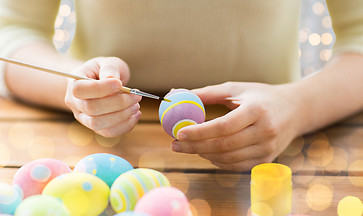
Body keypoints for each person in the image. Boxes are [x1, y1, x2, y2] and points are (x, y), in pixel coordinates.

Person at [0, 1, 362, 171]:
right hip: (102, 155)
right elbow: (11, 33)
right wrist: (74, 84)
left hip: (271, 153)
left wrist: (299, 106)